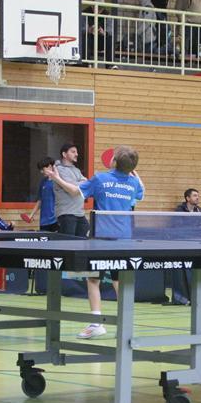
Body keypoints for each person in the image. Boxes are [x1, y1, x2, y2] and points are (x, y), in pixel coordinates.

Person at [45, 146, 144, 340]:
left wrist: (56, 178)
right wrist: (135, 173)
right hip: (124, 239)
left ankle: (96, 324)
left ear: (114, 162)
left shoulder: (100, 179)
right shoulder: (133, 182)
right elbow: (141, 193)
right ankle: (126, 324)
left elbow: (75, 191)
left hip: (101, 238)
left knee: (93, 279)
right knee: (119, 281)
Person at [52, 143, 89, 237]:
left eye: (76, 152)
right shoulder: (59, 169)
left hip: (79, 213)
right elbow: (72, 189)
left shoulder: (77, 170)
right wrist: (80, 183)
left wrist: (78, 184)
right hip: (66, 213)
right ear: (64, 154)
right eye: (73, 152)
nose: (76, 154)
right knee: (68, 242)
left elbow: (86, 183)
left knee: (83, 239)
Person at [24, 157, 58, 232]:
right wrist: (31, 215)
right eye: (40, 170)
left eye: (43, 169)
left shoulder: (58, 181)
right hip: (43, 221)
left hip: (56, 220)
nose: (41, 172)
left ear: (50, 166)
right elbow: (40, 200)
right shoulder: (43, 182)